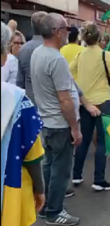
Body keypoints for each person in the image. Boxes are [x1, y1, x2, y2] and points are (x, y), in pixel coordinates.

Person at [30, 13, 99, 226]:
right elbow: (65, 100)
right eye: (67, 29)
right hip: (59, 125)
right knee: (60, 172)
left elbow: (70, 87)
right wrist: (75, 129)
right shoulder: (55, 59)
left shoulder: (38, 53)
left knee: (49, 167)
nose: (69, 33)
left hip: (46, 122)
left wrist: (85, 103)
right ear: (58, 32)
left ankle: (45, 207)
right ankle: (54, 212)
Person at [70, 21, 110, 191]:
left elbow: (69, 74)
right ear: (99, 37)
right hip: (103, 102)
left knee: (84, 139)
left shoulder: (80, 55)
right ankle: (98, 180)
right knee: (102, 141)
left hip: (84, 103)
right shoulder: (105, 55)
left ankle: (77, 176)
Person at [1, 21, 45, 226]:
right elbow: (33, 156)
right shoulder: (19, 101)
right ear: (3, 56)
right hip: (10, 189)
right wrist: (40, 189)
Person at [17, 11, 48, 105]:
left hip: (30, 102)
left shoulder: (23, 49)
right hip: (51, 105)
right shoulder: (53, 48)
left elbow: (20, 81)